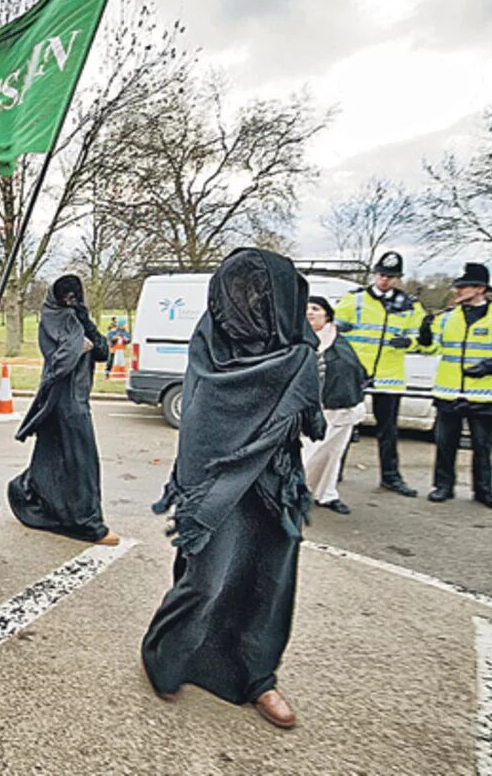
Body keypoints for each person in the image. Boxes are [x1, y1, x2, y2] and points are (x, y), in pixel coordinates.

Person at [142, 248, 325, 731]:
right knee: (206, 579)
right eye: (235, 293)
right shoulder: (212, 341)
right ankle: (167, 654)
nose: (239, 304)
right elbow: (202, 420)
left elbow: (309, 414)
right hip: (214, 482)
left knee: (269, 579)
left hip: (272, 481)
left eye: (254, 294)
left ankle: (257, 677)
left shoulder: (297, 350)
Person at [8, 275, 118, 545]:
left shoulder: (76, 316)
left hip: (77, 398)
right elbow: (58, 362)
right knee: (81, 462)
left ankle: (35, 499)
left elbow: (103, 351)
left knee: (56, 457)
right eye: (66, 295)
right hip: (64, 400)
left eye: (74, 295)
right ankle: (88, 523)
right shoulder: (51, 318)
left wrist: (87, 324)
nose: (70, 300)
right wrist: (78, 348)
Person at [418, 263, 492, 511]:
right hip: (449, 391)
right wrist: (425, 335)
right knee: (445, 445)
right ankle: (443, 486)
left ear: (480, 288)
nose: (457, 291)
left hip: (487, 393)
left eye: (463, 287)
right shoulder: (447, 318)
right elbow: (432, 348)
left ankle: (484, 491)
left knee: (482, 447)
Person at [334, 252, 430, 498]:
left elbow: (423, 340)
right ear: (374, 274)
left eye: (390, 276)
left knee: (388, 431)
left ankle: (391, 477)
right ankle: (333, 473)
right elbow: (335, 329)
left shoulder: (409, 305)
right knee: (344, 425)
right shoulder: (354, 299)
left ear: (398, 278)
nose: (384, 280)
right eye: (381, 275)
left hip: (390, 375)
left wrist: (407, 342)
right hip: (357, 372)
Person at [301, 296, 367, 515]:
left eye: (316, 309)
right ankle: (298, 491)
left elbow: (353, 369)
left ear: (327, 315)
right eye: (306, 309)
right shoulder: (300, 339)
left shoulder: (336, 341)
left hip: (339, 406)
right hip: (310, 406)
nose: (310, 312)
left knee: (331, 454)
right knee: (309, 452)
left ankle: (325, 494)